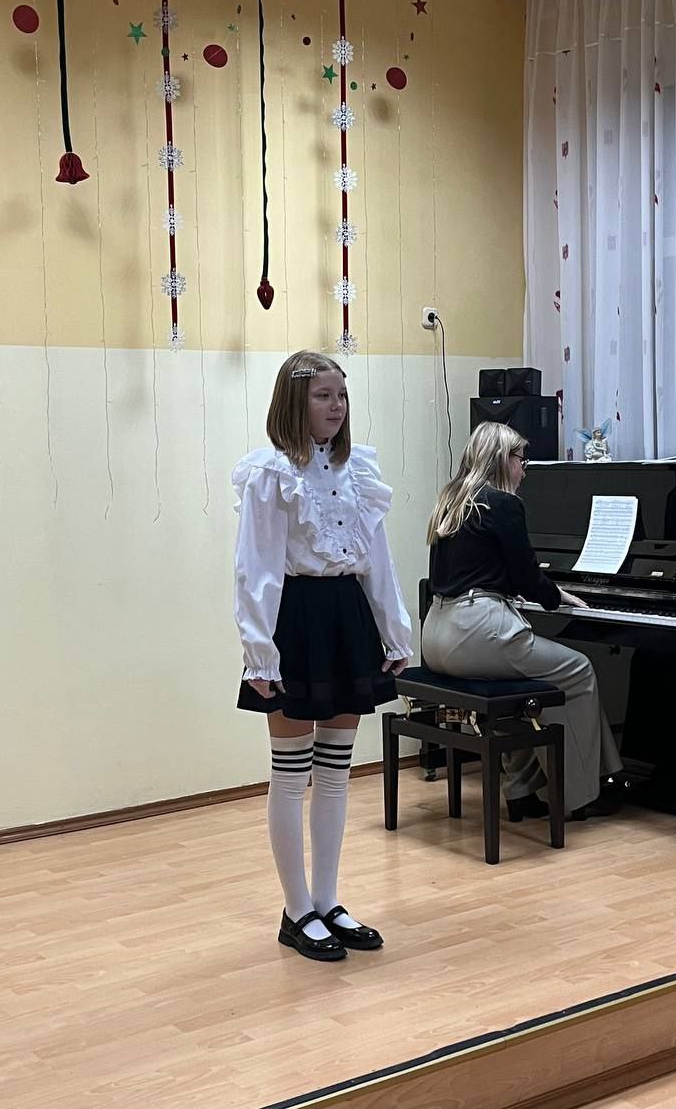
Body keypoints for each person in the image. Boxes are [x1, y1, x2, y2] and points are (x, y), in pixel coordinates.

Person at [233, 350, 412, 962]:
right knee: (291, 771)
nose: (336, 406)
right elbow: (255, 568)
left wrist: (394, 632)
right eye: (322, 396)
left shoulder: (357, 469)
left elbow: (377, 560)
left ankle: (328, 900)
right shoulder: (270, 473)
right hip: (296, 621)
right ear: (295, 401)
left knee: (335, 770)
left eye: (341, 395)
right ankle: (296, 909)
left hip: (346, 616)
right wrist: (260, 654)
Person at [421, 421, 623, 821]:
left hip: (438, 634)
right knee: (578, 671)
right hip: (476, 632)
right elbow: (528, 577)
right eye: (520, 458)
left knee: (524, 685)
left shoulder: (452, 499)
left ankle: (521, 791)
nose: (525, 468)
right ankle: (577, 794)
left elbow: (480, 571)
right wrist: (557, 596)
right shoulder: (503, 503)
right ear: (502, 459)